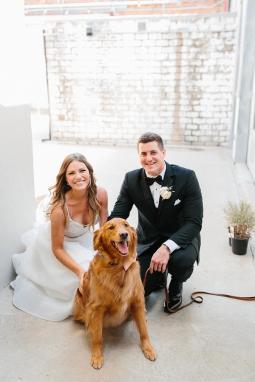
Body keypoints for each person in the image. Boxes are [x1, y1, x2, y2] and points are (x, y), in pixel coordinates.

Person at [109, 132, 203, 313]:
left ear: (163, 153)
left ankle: (176, 283)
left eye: (153, 152)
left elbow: (194, 222)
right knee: (135, 291)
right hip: (148, 240)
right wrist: (106, 235)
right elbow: (118, 215)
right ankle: (158, 276)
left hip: (180, 238)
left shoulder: (187, 177)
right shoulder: (131, 179)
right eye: (143, 154)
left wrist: (167, 248)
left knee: (181, 262)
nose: (148, 158)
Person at [11, 153, 108, 321]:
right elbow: (57, 248)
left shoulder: (101, 194)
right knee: (87, 275)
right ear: (65, 179)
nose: (78, 176)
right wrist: (79, 271)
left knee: (108, 269)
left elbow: (104, 230)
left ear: (90, 173)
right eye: (71, 173)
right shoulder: (60, 209)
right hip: (59, 246)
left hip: (84, 240)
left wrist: (105, 252)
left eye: (82, 170)